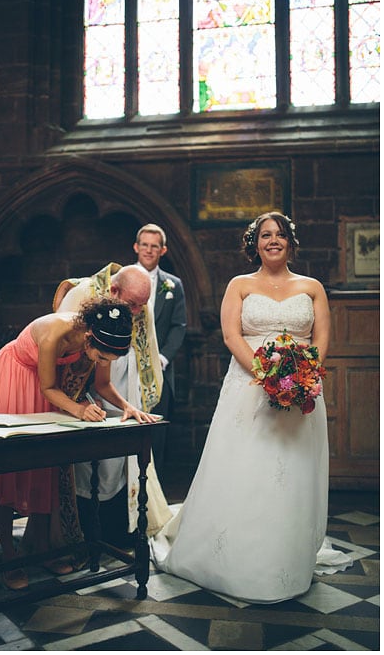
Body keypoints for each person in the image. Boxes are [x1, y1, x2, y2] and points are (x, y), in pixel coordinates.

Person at [150, 212, 353, 603]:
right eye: (265, 235)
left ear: (290, 242)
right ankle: (236, 556)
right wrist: (268, 375)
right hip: (249, 387)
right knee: (247, 467)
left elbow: (323, 336)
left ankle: (286, 555)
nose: (272, 241)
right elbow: (230, 335)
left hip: (301, 389)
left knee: (291, 469)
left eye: (279, 235)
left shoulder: (312, 287)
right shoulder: (240, 285)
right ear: (254, 243)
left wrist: (301, 376)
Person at [0, 297, 156, 591]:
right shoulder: (55, 333)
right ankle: (10, 558)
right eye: (100, 358)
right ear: (87, 339)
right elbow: (47, 387)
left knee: (46, 470)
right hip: (15, 378)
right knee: (6, 473)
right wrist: (80, 409)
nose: (101, 364)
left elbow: (102, 385)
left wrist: (127, 406)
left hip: (48, 390)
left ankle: (42, 549)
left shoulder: (102, 335)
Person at [53, 263, 172, 548]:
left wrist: (129, 403)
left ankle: (117, 527)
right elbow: (62, 365)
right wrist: (79, 402)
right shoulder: (82, 297)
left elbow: (107, 374)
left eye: (141, 306)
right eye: (132, 305)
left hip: (116, 382)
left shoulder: (133, 304)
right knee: (87, 463)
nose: (137, 312)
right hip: (76, 393)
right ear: (114, 290)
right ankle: (82, 533)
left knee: (120, 461)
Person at [132, 224, 187, 480]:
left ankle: (153, 494)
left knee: (157, 434)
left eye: (155, 246)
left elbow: (179, 326)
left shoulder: (172, 285)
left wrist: (161, 358)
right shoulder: (120, 278)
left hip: (160, 371)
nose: (149, 250)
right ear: (136, 247)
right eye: (145, 244)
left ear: (162, 250)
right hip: (127, 366)